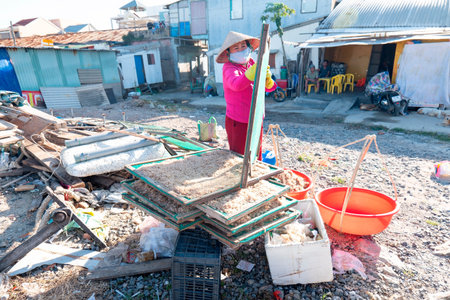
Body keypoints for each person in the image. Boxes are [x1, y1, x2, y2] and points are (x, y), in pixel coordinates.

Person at [216, 31, 276, 159]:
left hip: (256, 117)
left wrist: (269, 82)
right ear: (229, 53)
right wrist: (250, 73)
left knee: (255, 153)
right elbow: (236, 84)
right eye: (236, 48)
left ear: (249, 47)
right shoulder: (229, 67)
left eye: (243, 46)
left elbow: (268, 89)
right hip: (238, 120)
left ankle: (255, 176)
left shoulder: (251, 63)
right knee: (238, 157)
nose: (240, 50)